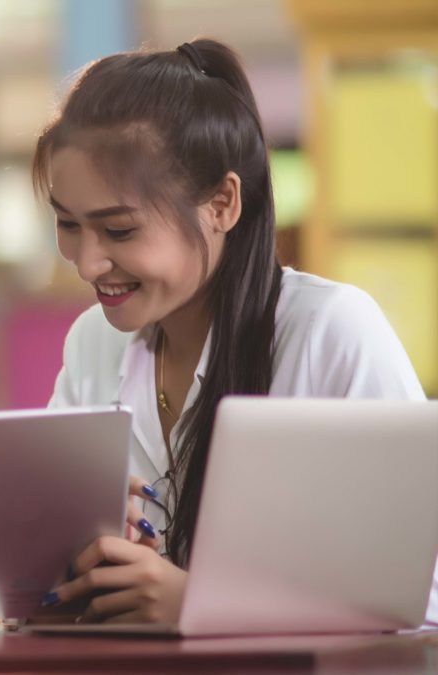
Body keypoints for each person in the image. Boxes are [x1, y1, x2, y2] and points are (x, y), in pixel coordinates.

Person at [32, 39, 436, 625]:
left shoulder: (329, 331)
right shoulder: (92, 341)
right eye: (68, 224)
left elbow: (421, 600)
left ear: (222, 203)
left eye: (118, 231)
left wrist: (199, 605)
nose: (87, 263)